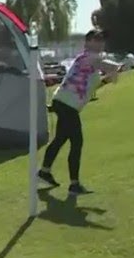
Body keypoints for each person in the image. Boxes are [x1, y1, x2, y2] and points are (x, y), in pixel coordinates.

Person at [38, 30, 119, 196]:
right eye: (97, 39)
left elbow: (90, 86)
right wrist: (116, 69)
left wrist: (106, 80)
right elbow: (109, 65)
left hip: (64, 103)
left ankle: (44, 172)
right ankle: (74, 185)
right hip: (67, 105)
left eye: (102, 40)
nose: (101, 43)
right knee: (77, 142)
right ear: (88, 42)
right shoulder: (87, 57)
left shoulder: (90, 63)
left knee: (60, 139)